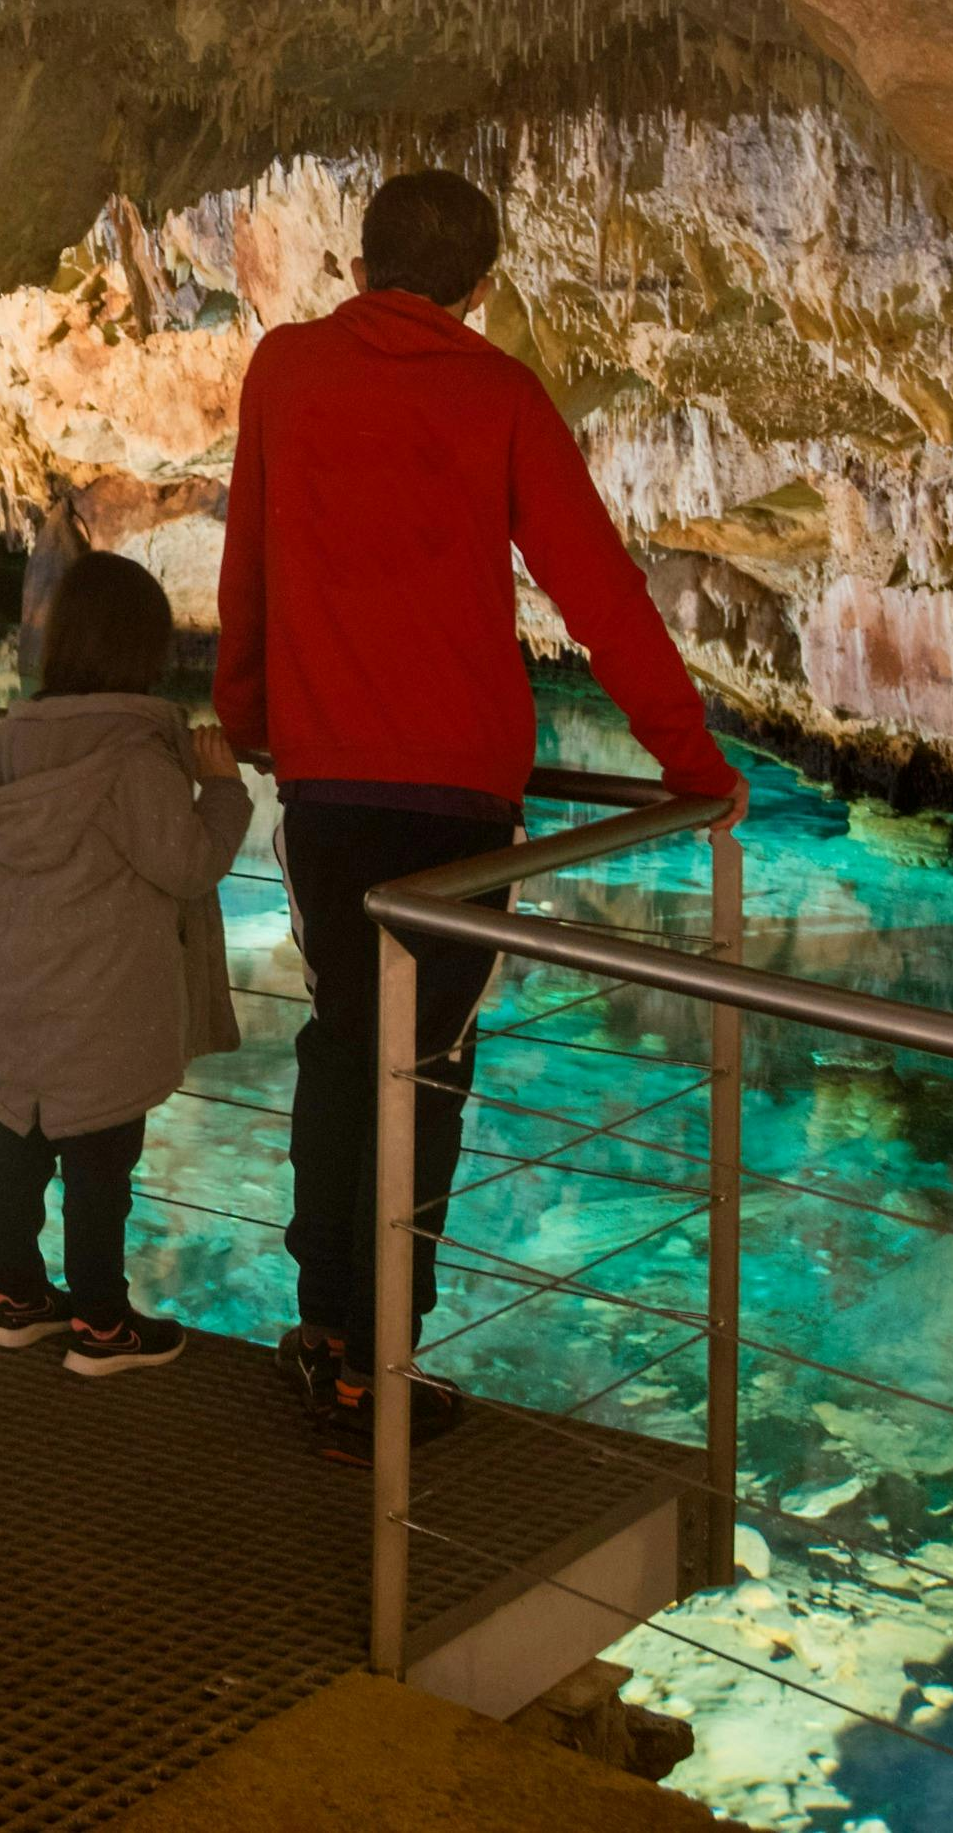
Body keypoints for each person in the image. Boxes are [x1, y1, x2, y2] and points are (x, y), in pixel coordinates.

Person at [214, 166, 741, 1459]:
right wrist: (692, 766)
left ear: (355, 266)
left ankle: (325, 1330)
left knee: (345, 1041)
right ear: (483, 291)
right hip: (455, 804)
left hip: (329, 788)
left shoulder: (286, 370)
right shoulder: (499, 393)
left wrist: (246, 718)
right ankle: (371, 1368)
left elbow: (248, 563)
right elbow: (599, 593)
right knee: (425, 1068)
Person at [0, 550, 253, 1378]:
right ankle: (101, 1326)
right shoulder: (130, 757)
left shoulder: (14, 744)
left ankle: (14, 1299)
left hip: (23, 987)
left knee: (19, 1139)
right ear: (142, 650)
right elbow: (188, 863)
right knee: (98, 1164)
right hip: (108, 1003)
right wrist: (222, 788)